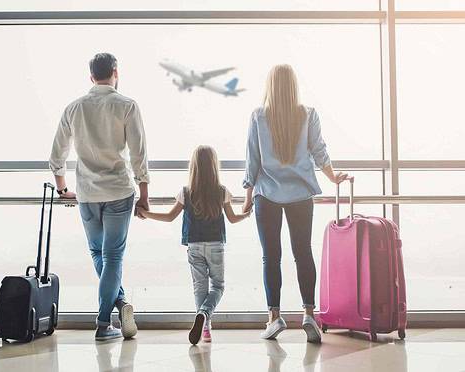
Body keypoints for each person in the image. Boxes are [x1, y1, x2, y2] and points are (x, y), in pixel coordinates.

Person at [242, 64, 347, 343]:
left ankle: (274, 318)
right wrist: (333, 177)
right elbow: (319, 150)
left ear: (271, 85)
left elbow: (252, 160)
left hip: (267, 195)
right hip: (300, 194)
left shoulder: (258, 116)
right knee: (303, 253)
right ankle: (309, 314)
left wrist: (247, 196)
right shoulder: (308, 114)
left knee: (271, 257)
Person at [49, 53, 150, 341]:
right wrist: (144, 194)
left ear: (91, 76)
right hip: (119, 191)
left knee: (99, 253)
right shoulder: (127, 105)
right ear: (116, 72)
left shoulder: (74, 108)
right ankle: (104, 321)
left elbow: (57, 156)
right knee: (113, 255)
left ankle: (117, 304)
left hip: (88, 194)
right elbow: (138, 154)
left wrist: (62, 189)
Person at [137, 145, 250, 345]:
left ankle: (205, 328)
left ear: (194, 167)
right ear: (214, 166)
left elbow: (170, 217)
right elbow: (232, 219)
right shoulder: (222, 191)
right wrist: (247, 213)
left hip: (194, 245)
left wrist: (145, 213)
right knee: (218, 286)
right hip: (215, 245)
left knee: (200, 287)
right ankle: (205, 315)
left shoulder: (186, 192)